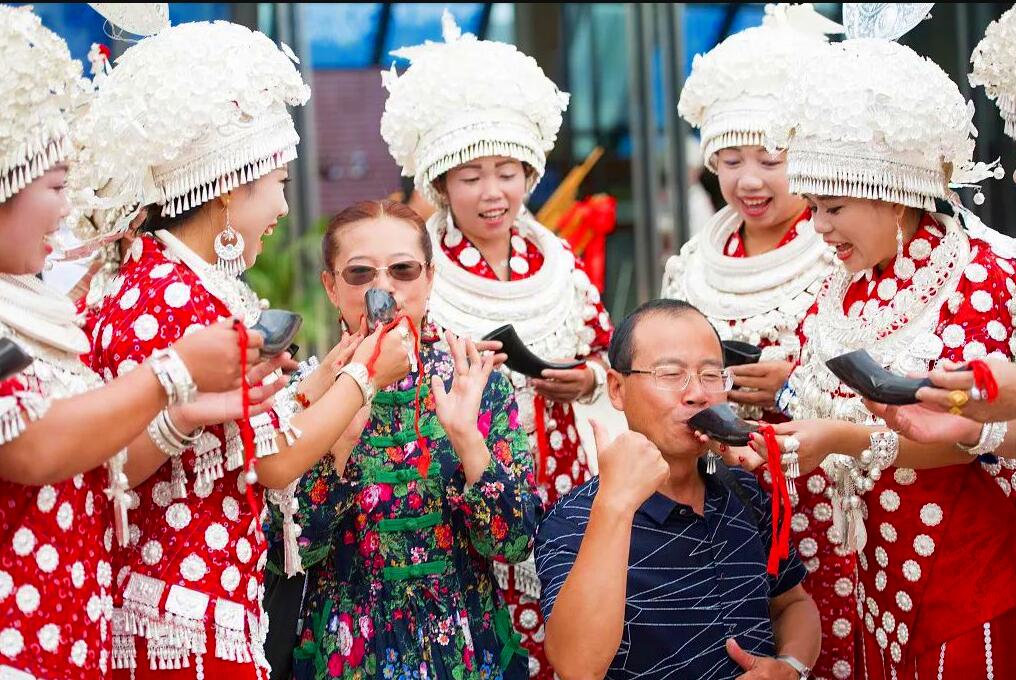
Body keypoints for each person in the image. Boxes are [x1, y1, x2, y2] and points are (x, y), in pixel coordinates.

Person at [75, 21, 411, 678]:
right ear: (231, 185)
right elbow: (277, 460)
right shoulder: (171, 294)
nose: (285, 207)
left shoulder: (168, 280)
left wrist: (327, 375)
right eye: (279, 182)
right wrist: (366, 376)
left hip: (191, 599)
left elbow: (234, 426)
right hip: (179, 608)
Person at [0, 7, 264, 677]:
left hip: (70, 632)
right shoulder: (165, 292)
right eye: (54, 186)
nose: (68, 209)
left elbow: (96, 461)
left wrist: (180, 413)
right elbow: (34, 448)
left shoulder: (38, 306)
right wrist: (170, 375)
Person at [751, 29, 1016, 679]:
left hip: (963, 570)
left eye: (832, 206)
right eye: (812, 206)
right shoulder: (849, 281)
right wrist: (783, 388)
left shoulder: (978, 278)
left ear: (891, 190)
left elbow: (979, 432)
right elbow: (837, 394)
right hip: (874, 573)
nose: (817, 226)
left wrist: (840, 438)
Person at [379, 12, 613, 678]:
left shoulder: (559, 260)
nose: (492, 193)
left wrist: (588, 380)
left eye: (507, 171)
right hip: (467, 481)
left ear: (530, 174)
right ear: (442, 186)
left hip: (568, 470)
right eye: (472, 175)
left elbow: (605, 350)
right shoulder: (423, 272)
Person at [660, 6, 855, 677]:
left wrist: (795, 384)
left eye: (771, 159)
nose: (749, 180)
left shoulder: (842, 251)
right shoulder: (692, 261)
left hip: (831, 493)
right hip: (731, 502)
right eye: (730, 159)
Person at [278, 199, 538, 679]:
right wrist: (339, 442)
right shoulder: (308, 393)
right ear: (331, 287)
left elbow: (515, 541)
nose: (383, 288)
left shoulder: (473, 379)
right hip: (348, 654)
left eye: (403, 269)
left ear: (430, 278)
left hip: (466, 650)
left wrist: (467, 441)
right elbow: (294, 551)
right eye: (359, 274)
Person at [535, 299, 821, 680]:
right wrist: (616, 505)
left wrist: (790, 667)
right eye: (671, 374)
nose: (697, 394)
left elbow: (792, 603)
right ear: (617, 389)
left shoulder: (744, 493)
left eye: (711, 375)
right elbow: (577, 666)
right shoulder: (575, 518)